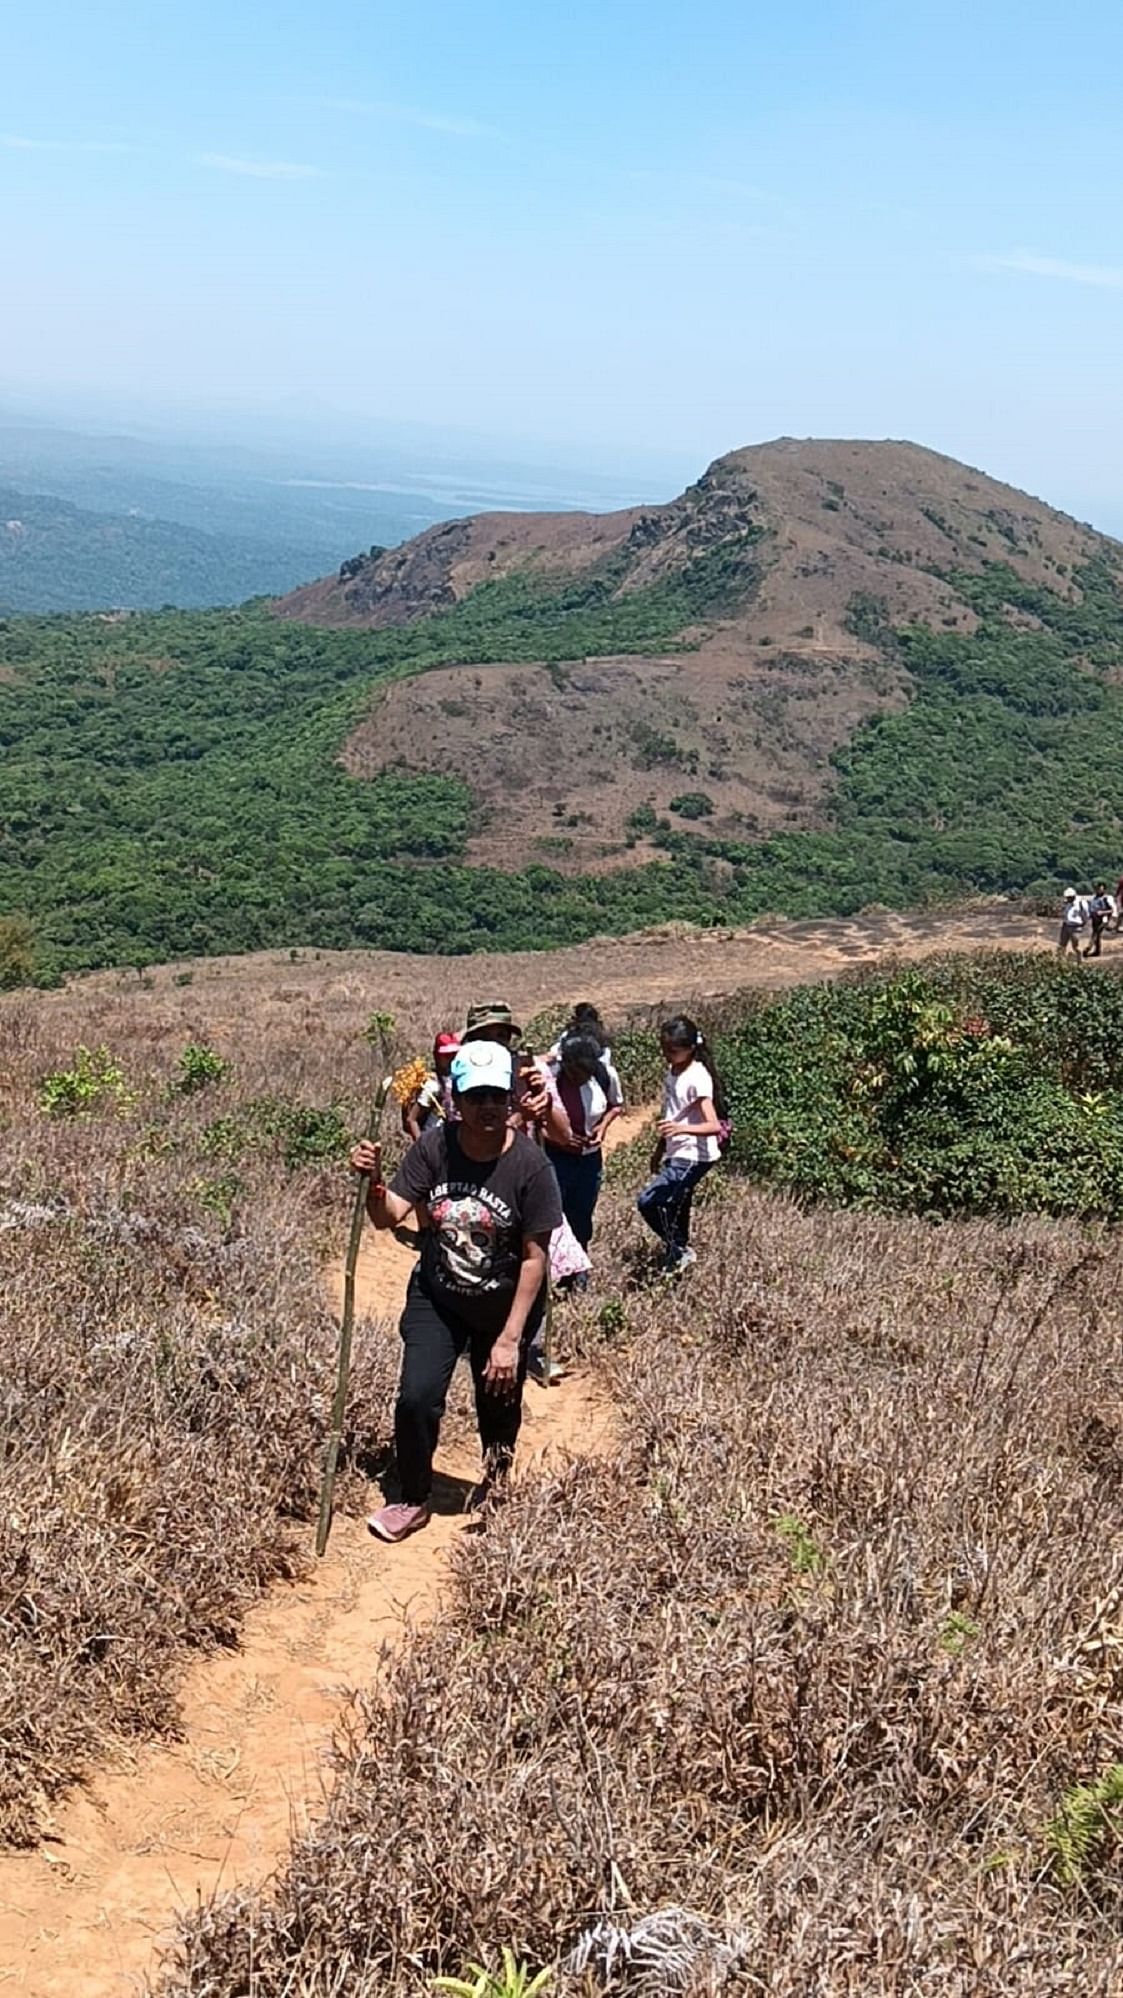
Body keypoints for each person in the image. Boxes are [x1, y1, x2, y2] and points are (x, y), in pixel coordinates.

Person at [350, 1039, 562, 1544]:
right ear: (456, 1099)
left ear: (511, 1097)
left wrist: (511, 1340)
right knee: (417, 1397)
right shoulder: (435, 1147)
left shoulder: (530, 1167)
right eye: (475, 1096)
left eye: (497, 1095)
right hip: (438, 1294)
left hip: (504, 1304)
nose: (487, 1107)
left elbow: (536, 1259)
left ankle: (496, 1482)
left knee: (499, 1401)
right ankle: (412, 1497)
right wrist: (374, 1183)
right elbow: (388, 1217)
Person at [637, 1016, 725, 1274]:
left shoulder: (697, 1077)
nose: (666, 1055)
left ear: (690, 1048)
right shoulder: (674, 1072)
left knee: (649, 1201)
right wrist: (660, 1148)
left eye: (672, 1051)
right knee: (676, 1204)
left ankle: (679, 1249)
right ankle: (678, 1252)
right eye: (664, 1049)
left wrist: (680, 1129)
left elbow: (713, 1126)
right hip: (678, 1151)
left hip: (693, 1155)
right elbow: (672, 1113)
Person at [541, 1030, 622, 1266]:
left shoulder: (605, 1075)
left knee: (582, 1213)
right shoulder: (549, 1081)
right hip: (556, 1158)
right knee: (555, 1213)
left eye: (586, 1072)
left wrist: (603, 1127)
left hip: (589, 1159)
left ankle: (579, 1268)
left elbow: (616, 1106)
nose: (581, 1077)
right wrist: (558, 1138)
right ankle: (553, 1267)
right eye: (576, 1072)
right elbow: (535, 1121)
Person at [546, 1002, 624, 1106]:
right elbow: (605, 1059)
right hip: (595, 1071)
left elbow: (554, 1052)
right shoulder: (601, 1035)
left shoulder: (569, 1033)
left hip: (568, 1070)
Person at [402, 1032, 460, 1140]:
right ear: (437, 1057)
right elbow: (411, 1119)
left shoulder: (457, 1079)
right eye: (446, 1056)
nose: (451, 1059)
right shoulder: (433, 1085)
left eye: (454, 1055)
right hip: (435, 1140)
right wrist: (422, 1147)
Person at [1084, 883, 1114, 959]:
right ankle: (1097, 951)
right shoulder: (1094, 898)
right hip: (1095, 919)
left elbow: (1111, 910)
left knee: (1096, 933)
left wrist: (1102, 912)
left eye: (1101, 889)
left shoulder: (1106, 898)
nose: (1099, 890)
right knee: (1096, 934)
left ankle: (1088, 948)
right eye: (1098, 889)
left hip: (1103, 919)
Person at [1058, 887, 1089, 957]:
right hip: (1066, 925)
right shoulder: (1067, 903)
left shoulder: (1081, 903)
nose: (1068, 899)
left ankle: (1080, 961)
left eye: (1069, 897)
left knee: (1076, 946)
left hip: (1075, 927)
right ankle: (1060, 960)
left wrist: (1082, 923)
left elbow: (1086, 915)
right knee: (1062, 944)